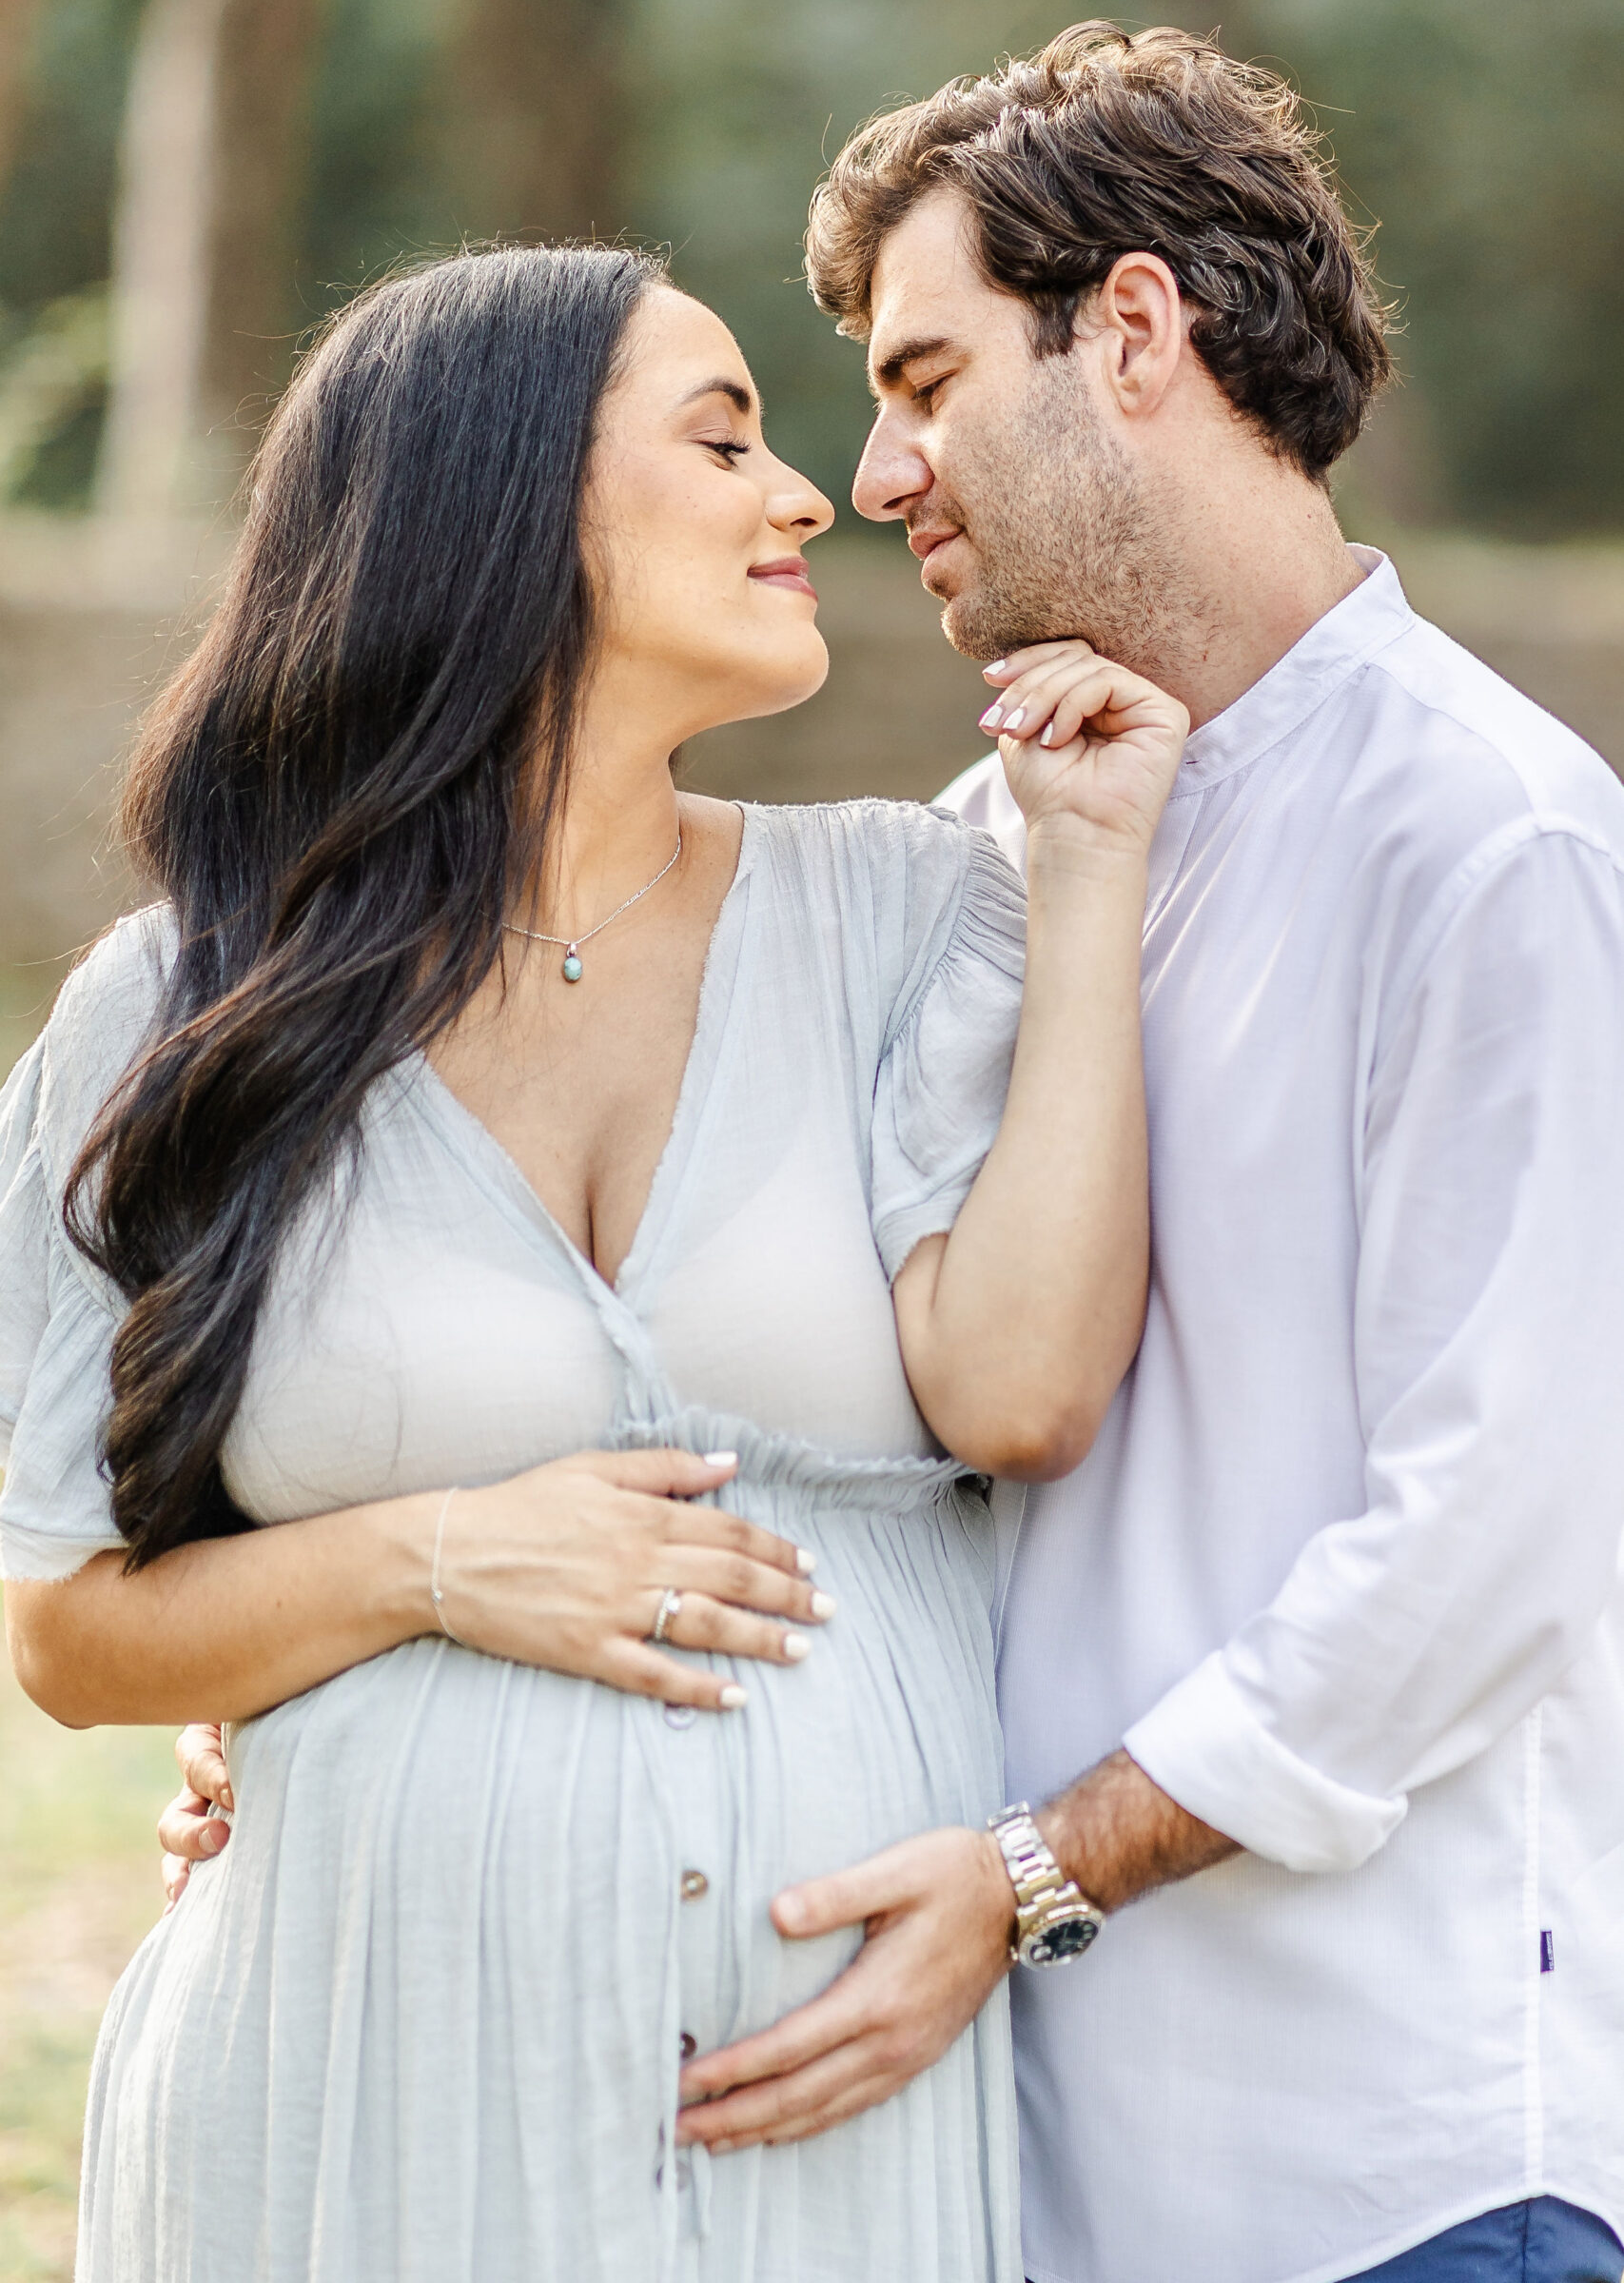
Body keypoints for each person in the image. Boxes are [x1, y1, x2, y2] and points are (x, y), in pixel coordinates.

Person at [0, 242, 1186, 2281]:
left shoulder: (910, 909)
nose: (805, 490)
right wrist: (431, 1558)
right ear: (493, 498)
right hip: (333, 2108)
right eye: (722, 437)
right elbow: (70, 1627)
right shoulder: (174, 1013)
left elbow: (1028, 1385)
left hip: (824, 2122)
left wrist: (1087, 879)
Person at [658, 27, 1624, 2283]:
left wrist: (1032, 1870)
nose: (874, 470)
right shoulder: (978, 853)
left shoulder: (1494, 846)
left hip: (1386, 2175)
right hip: (996, 2169)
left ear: (1129, 329)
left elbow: (1492, 1537)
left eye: (920, 378)